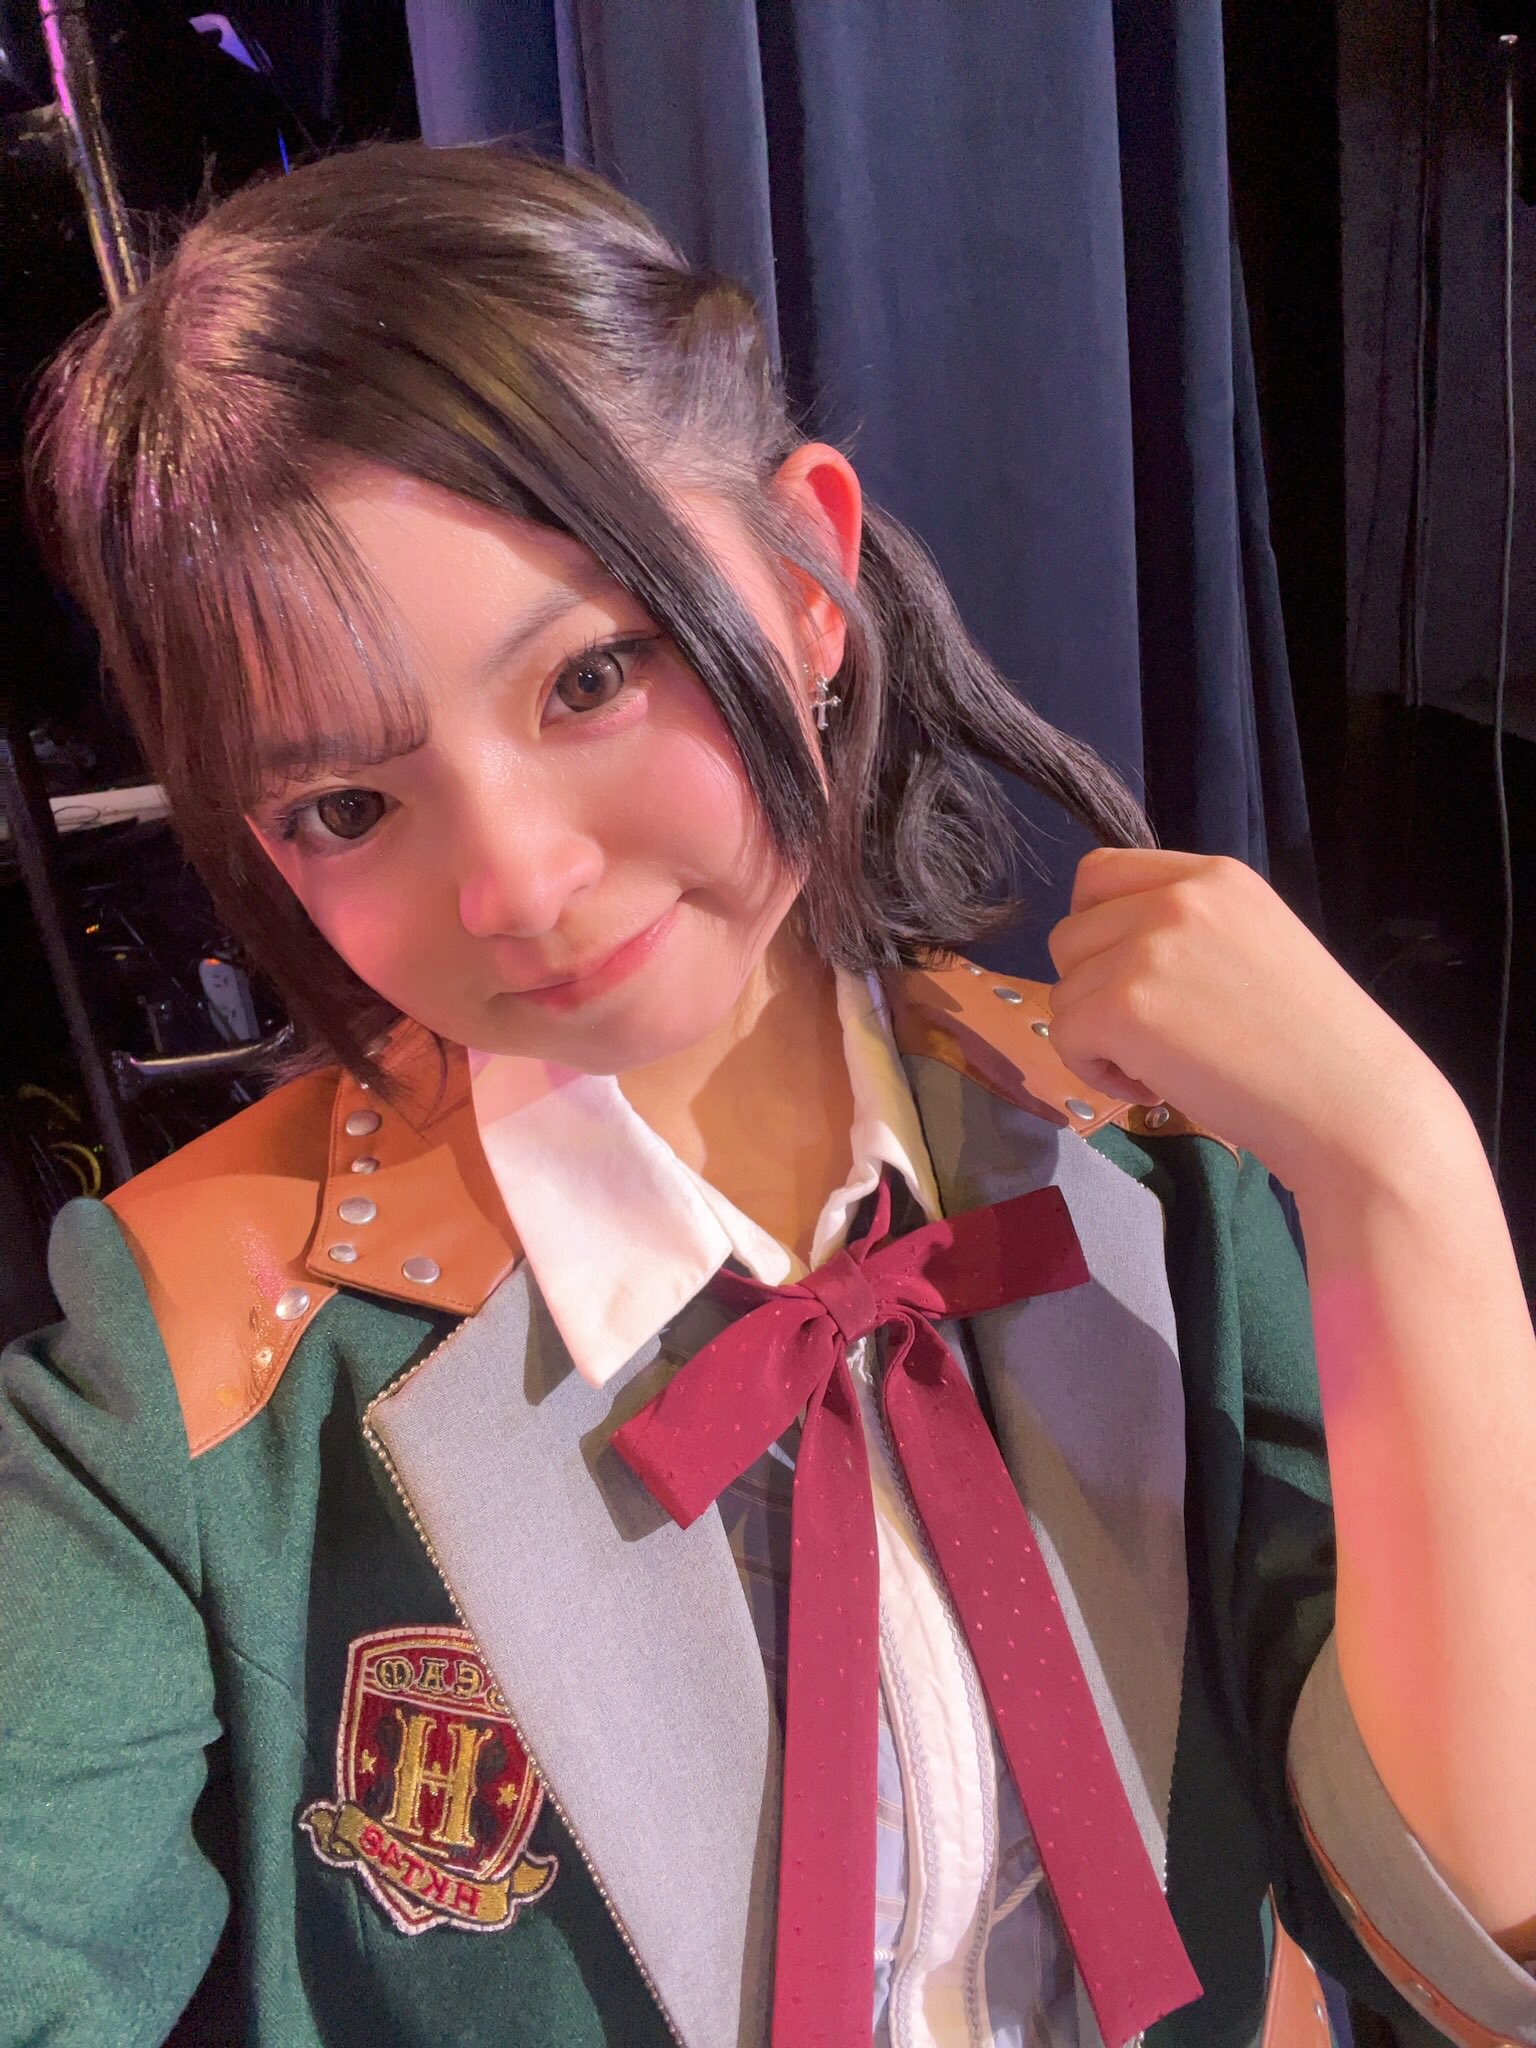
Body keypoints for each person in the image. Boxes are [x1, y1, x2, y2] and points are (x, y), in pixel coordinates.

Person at [3, 140, 1534, 2048]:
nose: (519, 885)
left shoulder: (1142, 1176)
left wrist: (1405, 1176)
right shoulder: (194, 1374)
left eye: (589, 678)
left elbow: (1459, 1933)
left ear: (809, 579)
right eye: (346, 804)